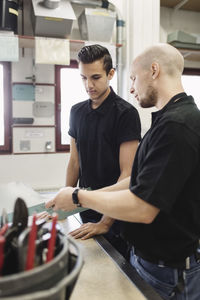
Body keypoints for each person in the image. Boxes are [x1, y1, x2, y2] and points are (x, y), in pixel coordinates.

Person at [46, 43, 200, 300]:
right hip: (149, 259)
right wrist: (72, 197)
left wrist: (78, 198)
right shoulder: (167, 120)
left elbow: (143, 207)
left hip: (167, 269)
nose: (131, 88)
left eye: (133, 79)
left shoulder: (177, 126)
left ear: (154, 70)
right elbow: (136, 181)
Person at [66, 44, 141, 258]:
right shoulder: (76, 112)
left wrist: (105, 222)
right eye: (83, 78)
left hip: (115, 215)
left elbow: (127, 174)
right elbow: (74, 162)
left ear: (111, 74)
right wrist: (64, 203)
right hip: (84, 207)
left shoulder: (126, 114)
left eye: (96, 77)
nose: (88, 85)